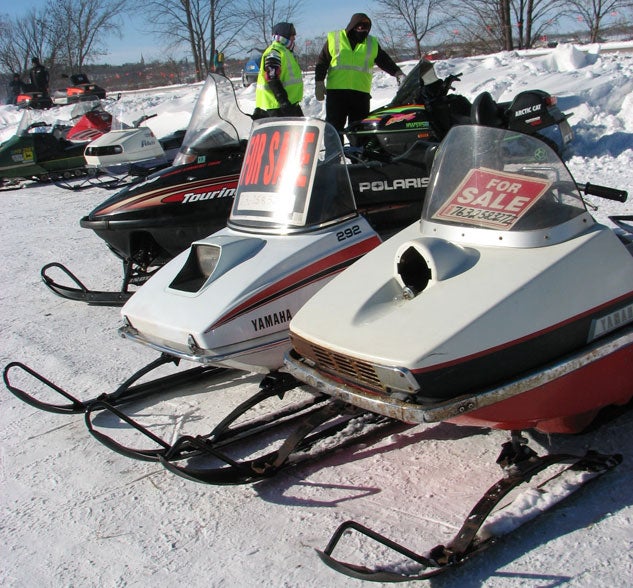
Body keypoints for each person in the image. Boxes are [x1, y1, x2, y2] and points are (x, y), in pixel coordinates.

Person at [314, 13, 405, 134]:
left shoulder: (371, 43)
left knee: (360, 132)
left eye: (366, 27)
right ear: (352, 25)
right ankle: (334, 153)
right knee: (334, 129)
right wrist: (319, 82)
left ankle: (358, 153)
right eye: (359, 26)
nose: (362, 29)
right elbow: (322, 61)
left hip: (360, 95)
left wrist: (398, 73)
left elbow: (384, 60)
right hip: (337, 94)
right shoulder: (335, 38)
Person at [253, 22, 303, 119]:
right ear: (284, 35)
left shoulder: (286, 51)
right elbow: (272, 78)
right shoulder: (274, 51)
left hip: (289, 106)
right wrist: (283, 101)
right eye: (292, 35)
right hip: (277, 108)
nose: (294, 38)